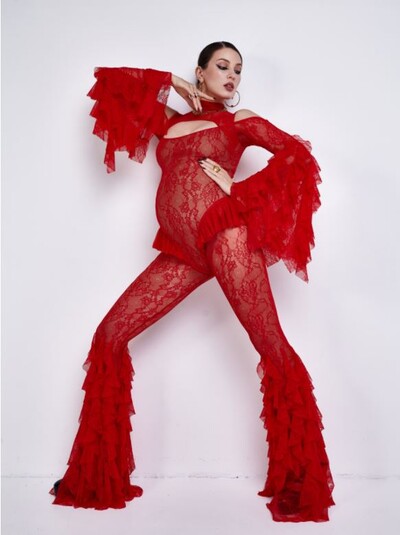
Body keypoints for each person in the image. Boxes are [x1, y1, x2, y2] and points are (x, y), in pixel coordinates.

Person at [50, 41, 335, 522]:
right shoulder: (169, 122)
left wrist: (238, 190)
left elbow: (299, 158)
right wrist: (174, 83)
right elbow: (110, 85)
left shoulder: (239, 121)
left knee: (271, 344)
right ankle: (96, 476)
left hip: (226, 237)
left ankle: (301, 480)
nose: (232, 76)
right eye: (222, 66)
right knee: (111, 335)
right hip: (182, 252)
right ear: (201, 71)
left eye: (238, 70)